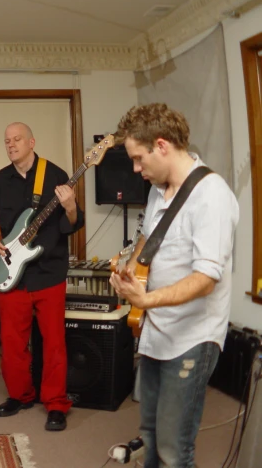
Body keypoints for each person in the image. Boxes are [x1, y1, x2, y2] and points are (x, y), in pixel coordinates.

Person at [109, 103, 238, 467]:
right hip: (157, 333)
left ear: (162, 145)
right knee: (149, 435)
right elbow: (147, 243)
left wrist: (146, 299)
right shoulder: (156, 190)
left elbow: (205, 279)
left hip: (192, 339)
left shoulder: (211, 195)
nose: (136, 169)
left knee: (172, 448)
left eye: (138, 158)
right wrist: (127, 273)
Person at [0, 122, 84, 431]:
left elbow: (72, 223)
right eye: (7, 140)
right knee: (12, 343)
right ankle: (20, 396)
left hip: (49, 272)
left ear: (32, 141)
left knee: (53, 343)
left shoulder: (56, 175)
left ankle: (56, 404)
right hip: (12, 274)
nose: (11, 144)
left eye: (17, 139)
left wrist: (71, 207)